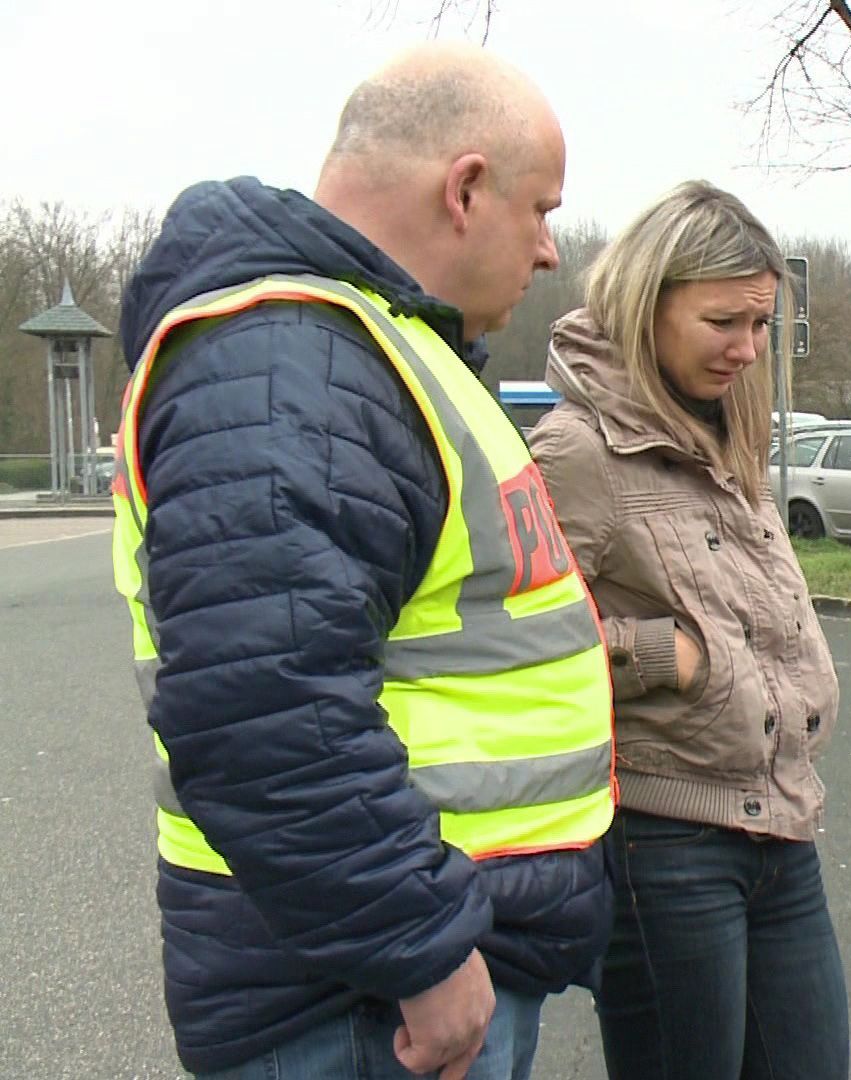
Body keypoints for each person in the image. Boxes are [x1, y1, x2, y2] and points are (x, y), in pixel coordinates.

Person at [110, 45, 613, 1080]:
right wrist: (419, 944)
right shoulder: (293, 363)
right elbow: (264, 703)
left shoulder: (363, 352)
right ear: (466, 187)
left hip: (386, 964)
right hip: (362, 1000)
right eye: (542, 208)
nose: (552, 250)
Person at [527, 180, 849, 1080]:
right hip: (664, 842)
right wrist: (659, 654)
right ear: (648, 302)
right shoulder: (577, 451)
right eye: (724, 323)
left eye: (761, 325)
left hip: (781, 824)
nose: (749, 350)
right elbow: (512, 642)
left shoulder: (727, 427)